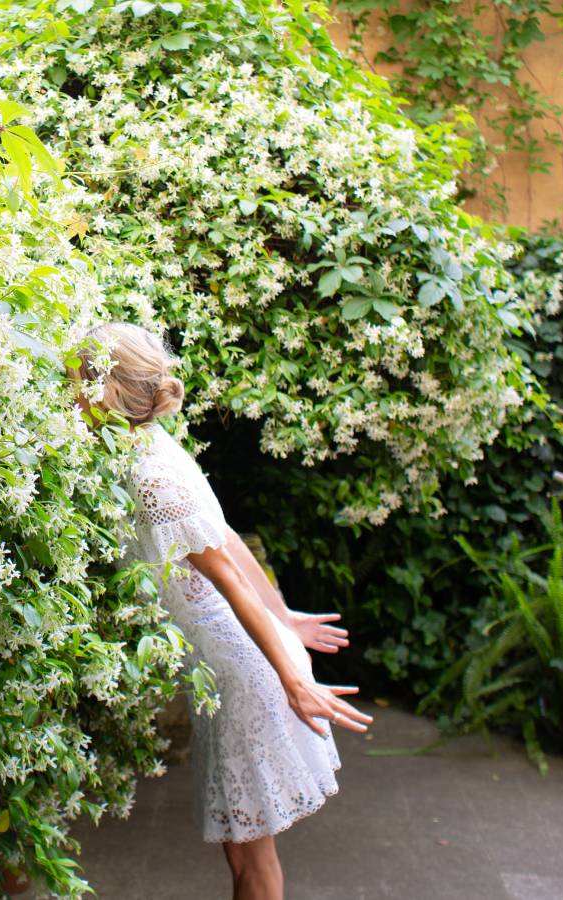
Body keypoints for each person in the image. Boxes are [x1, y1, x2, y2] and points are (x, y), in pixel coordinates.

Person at [71, 323, 373, 900]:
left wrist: (291, 677)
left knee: (252, 864)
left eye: (76, 383)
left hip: (246, 677)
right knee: (244, 855)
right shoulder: (153, 445)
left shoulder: (153, 477)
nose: (69, 396)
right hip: (240, 667)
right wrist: (283, 617)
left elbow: (229, 573)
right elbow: (226, 537)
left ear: (105, 391)